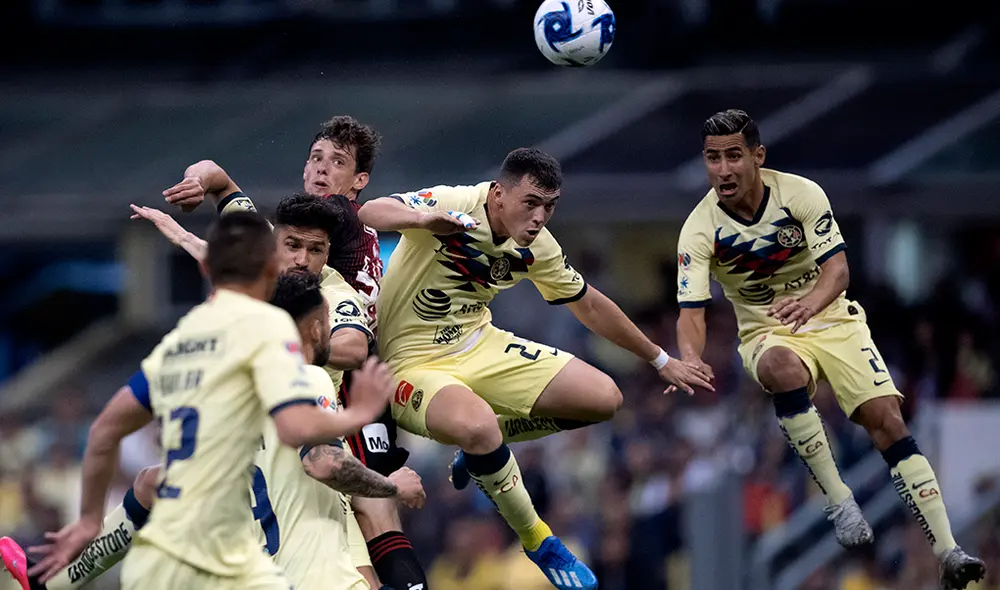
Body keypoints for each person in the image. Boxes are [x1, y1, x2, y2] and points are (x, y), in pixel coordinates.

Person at [358, 147, 713, 589]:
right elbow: (370, 211)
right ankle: (539, 540)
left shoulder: (537, 246)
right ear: (498, 194)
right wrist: (423, 219)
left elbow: (589, 304)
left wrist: (659, 358)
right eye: (531, 203)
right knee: (478, 425)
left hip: (478, 343)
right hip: (410, 364)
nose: (541, 217)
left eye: (550, 206)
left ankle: (487, 450)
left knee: (604, 400)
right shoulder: (456, 203)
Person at [674, 109, 986, 590]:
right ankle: (840, 500)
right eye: (712, 159)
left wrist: (812, 304)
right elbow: (691, 312)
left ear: (758, 157)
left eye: (733, 156)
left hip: (834, 318)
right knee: (781, 367)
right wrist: (690, 357)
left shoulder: (801, 194)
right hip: (766, 332)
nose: (722, 169)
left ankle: (948, 551)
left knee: (888, 420)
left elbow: (837, 271)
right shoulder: (699, 230)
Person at [20, 212, 392, 590]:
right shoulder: (294, 373)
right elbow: (320, 457)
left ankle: (56, 581)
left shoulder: (181, 353)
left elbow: (106, 431)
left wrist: (87, 522)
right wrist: (362, 419)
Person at [160, 116, 425, 589]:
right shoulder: (274, 242)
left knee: (370, 513)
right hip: (291, 406)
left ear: (358, 182)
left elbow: (355, 345)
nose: (323, 169)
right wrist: (197, 182)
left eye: (338, 162)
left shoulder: (349, 245)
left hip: (337, 398)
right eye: (317, 159)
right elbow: (217, 177)